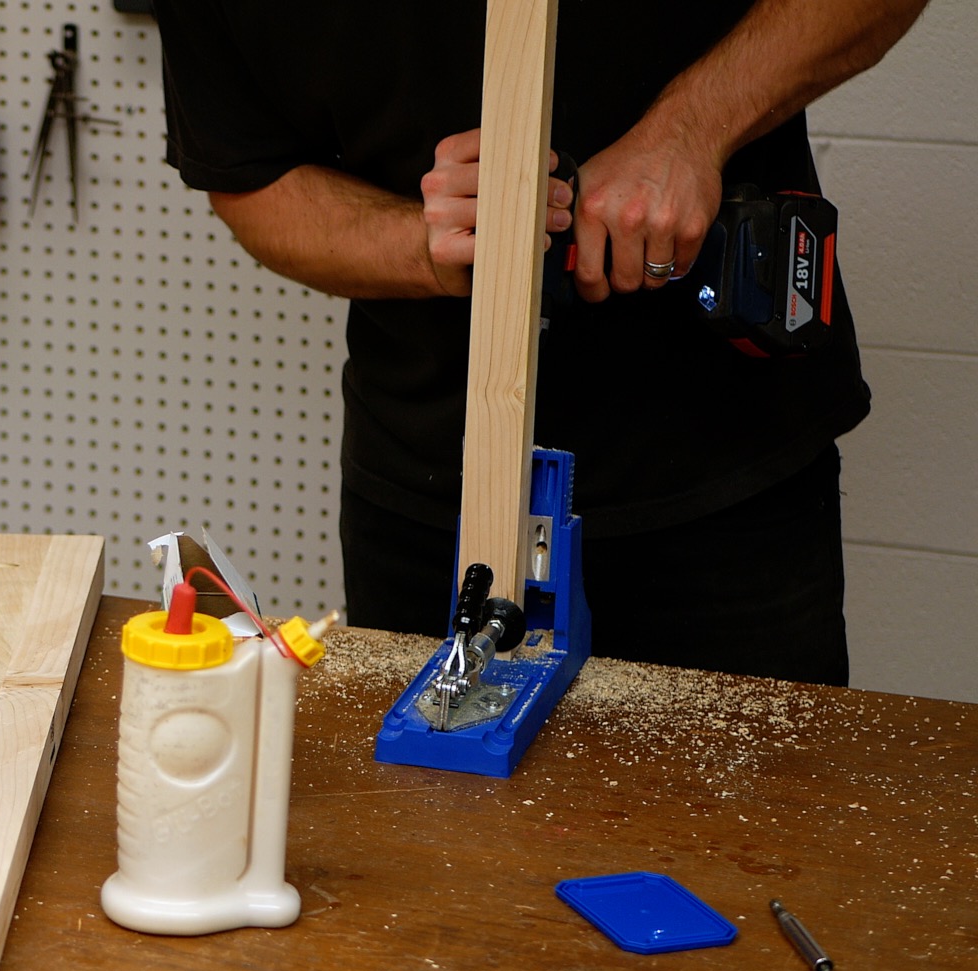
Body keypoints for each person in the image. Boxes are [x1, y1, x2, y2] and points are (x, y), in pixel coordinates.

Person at [150, 0, 928, 685]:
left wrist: (688, 132)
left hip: (722, 474)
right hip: (428, 482)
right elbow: (250, 178)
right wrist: (426, 247)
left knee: (752, 835)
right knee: (441, 829)